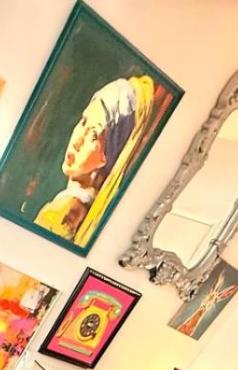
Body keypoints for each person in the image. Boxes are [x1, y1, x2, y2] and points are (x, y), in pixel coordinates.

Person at [35, 75, 158, 247]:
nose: (77, 141)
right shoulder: (73, 200)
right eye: (83, 121)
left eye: (92, 135)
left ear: (108, 154)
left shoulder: (67, 214)